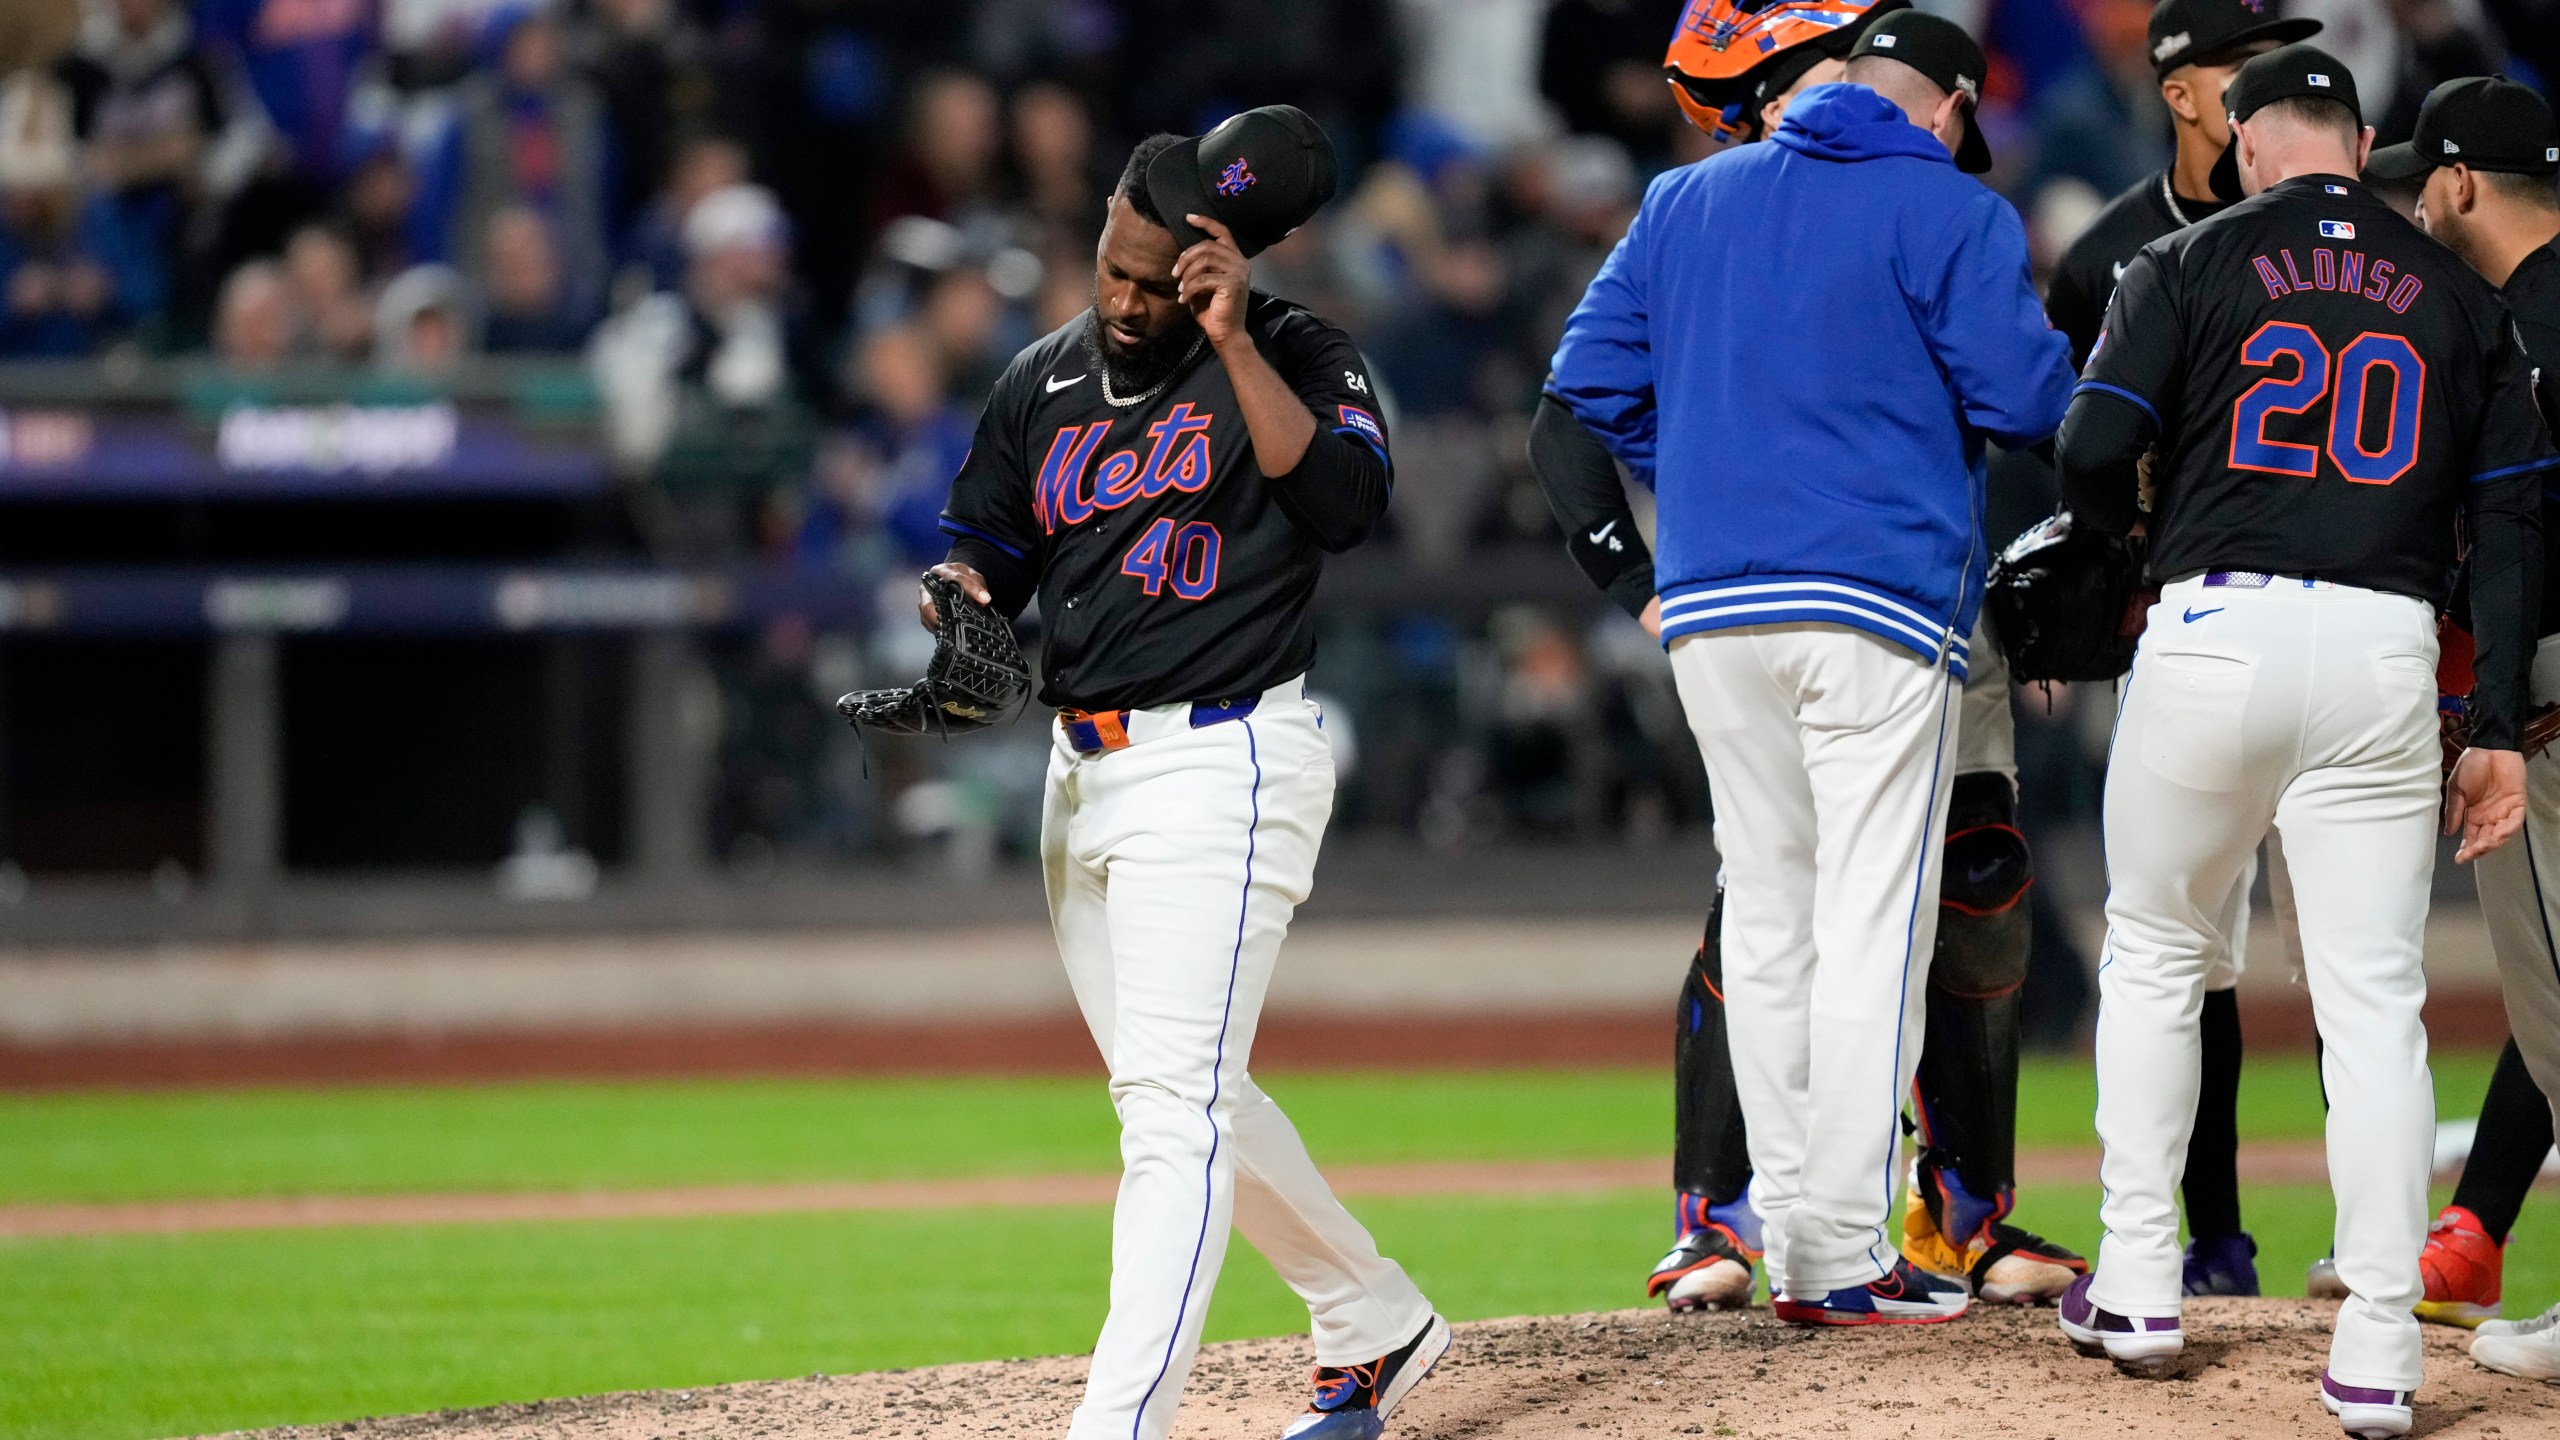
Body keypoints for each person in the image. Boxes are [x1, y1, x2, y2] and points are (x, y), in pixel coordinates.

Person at [1538, 0, 2086, 1316]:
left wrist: (1725, 472)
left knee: (1769, 911)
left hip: (1717, 605)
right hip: (1878, 604)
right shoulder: (1953, 208)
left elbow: (1584, 394)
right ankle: (1838, 1251)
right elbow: (2028, 404)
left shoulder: (1683, 200)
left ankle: (1784, 1227)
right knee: (1871, 925)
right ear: (1917, 102)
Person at [2052, 45, 2548, 1439]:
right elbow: (2508, 532)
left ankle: (2143, 1281)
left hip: (2216, 628)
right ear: (2362, 141)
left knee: (2156, 949)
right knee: (2374, 1003)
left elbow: (2089, 448)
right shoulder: (2460, 296)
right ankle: (2382, 1353)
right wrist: (2495, 724)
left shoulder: (2186, 262)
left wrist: (2143, 532)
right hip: (2387, 652)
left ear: (2255, 145)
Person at [930, 111, 1445, 1439]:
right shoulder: (1043, 377)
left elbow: (1343, 505)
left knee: (1175, 1119)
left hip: (1224, 760)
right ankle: (1375, 1314)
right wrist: (963, 599)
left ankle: (1119, 1427)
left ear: (1218, 269)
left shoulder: (1299, 357)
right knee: (1184, 1093)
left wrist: (1231, 340)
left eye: (1155, 281)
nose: (1122, 297)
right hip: (1078, 776)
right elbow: (986, 538)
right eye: (1111, 264)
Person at [2042, 0, 2327, 1299]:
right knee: (2187, 943)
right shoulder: (2109, 255)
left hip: (2334, 618)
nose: (2266, 72)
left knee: (2338, 956)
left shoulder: (2343, 227)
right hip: (2178, 631)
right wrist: (2076, 605)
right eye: (2241, 55)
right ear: (2182, 91)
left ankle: (2365, 1250)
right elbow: (2071, 459)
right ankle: (2207, 1234)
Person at [2369, 74, 2560, 1374]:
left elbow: (2522, 533)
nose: (2414, 193)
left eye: (2422, 173)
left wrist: (2497, 707)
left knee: (2554, 1001)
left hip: (2547, 686)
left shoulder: (2515, 327)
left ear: (2463, 183)